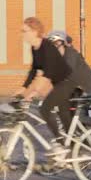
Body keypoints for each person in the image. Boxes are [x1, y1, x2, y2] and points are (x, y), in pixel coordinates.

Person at [15, 17, 73, 156]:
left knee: (45, 108)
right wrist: (23, 88)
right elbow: (34, 69)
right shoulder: (35, 48)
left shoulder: (46, 46)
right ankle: (71, 144)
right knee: (59, 114)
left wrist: (33, 92)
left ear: (35, 31)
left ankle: (60, 143)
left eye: (25, 31)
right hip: (57, 83)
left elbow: (48, 72)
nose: (22, 34)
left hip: (67, 82)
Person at [47, 31, 91, 96]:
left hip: (89, 89)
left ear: (62, 43)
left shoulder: (70, 54)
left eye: (55, 44)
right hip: (78, 89)